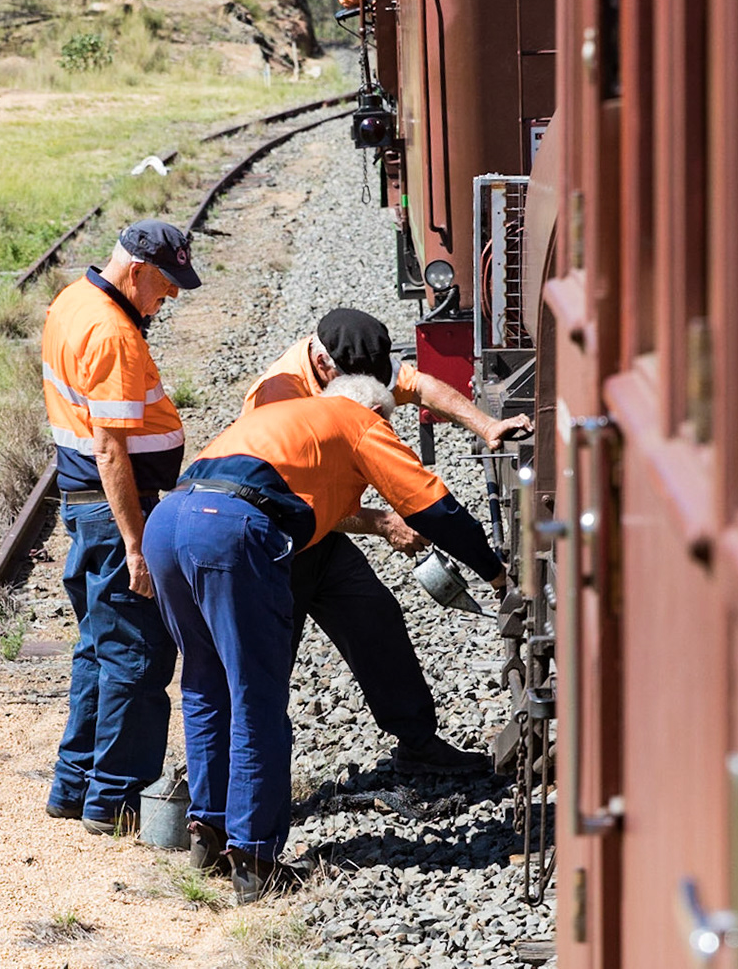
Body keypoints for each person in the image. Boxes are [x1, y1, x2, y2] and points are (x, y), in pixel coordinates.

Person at [141, 375, 506, 902]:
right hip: (229, 529)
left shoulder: (291, 418)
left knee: (204, 683)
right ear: (377, 413)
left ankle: (207, 835)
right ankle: (254, 860)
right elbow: (431, 507)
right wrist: (494, 573)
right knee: (256, 696)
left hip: (169, 521)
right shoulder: (359, 421)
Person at [243, 308, 532, 772]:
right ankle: (253, 789)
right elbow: (286, 500)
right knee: (266, 661)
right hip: (275, 540)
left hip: (322, 540)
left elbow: (419, 385)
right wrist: (381, 522)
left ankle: (418, 746)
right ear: (324, 368)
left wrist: (485, 425)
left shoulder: (353, 363)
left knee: (374, 619)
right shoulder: (279, 395)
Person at [42, 220, 201, 834]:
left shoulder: (73, 301)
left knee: (97, 649)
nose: (173, 297)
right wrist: (136, 544)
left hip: (85, 504)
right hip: (115, 510)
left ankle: (74, 785)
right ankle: (117, 800)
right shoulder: (112, 332)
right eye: (167, 284)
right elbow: (112, 450)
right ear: (136, 270)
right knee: (137, 654)